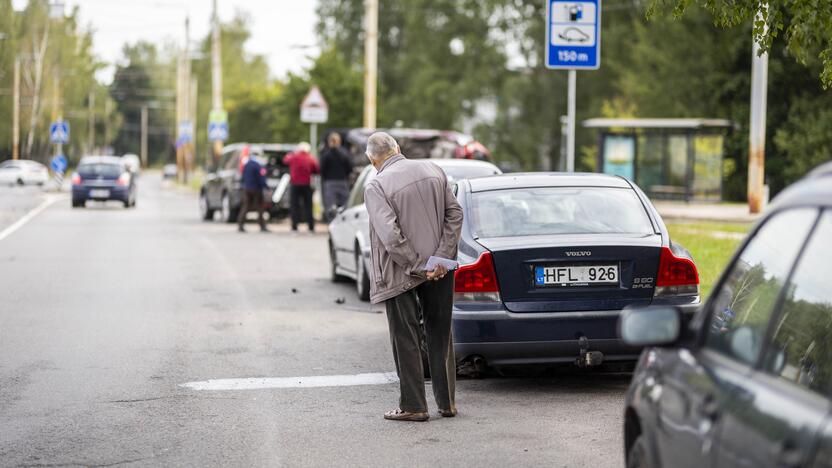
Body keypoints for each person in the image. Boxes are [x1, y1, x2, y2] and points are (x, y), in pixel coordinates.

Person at [363, 132, 463, 422]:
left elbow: (391, 237)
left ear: (372, 159)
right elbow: (454, 214)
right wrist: (440, 260)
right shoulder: (433, 169)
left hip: (401, 272)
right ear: (398, 149)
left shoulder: (377, 185)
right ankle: (448, 404)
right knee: (441, 332)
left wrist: (419, 265)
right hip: (440, 269)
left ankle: (414, 406)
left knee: (405, 336)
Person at [282, 142, 319, 232]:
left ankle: (294, 226)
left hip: (295, 184)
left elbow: (285, 160)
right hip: (306, 184)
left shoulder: (294, 157)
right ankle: (311, 226)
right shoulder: (310, 158)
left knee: (294, 205)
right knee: (308, 206)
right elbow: (317, 169)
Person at [319, 133, 353, 222]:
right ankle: (344, 221)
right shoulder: (344, 154)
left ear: (329, 141)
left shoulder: (326, 155)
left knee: (329, 205)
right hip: (342, 181)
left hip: (329, 182)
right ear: (339, 142)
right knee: (345, 204)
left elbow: (322, 169)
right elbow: (350, 168)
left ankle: (331, 222)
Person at [237, 146, 269, 233]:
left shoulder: (247, 164)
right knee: (260, 208)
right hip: (256, 189)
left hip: (247, 189)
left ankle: (240, 225)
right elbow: (262, 178)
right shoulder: (257, 165)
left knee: (246, 207)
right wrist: (266, 187)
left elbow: (242, 177)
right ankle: (262, 226)